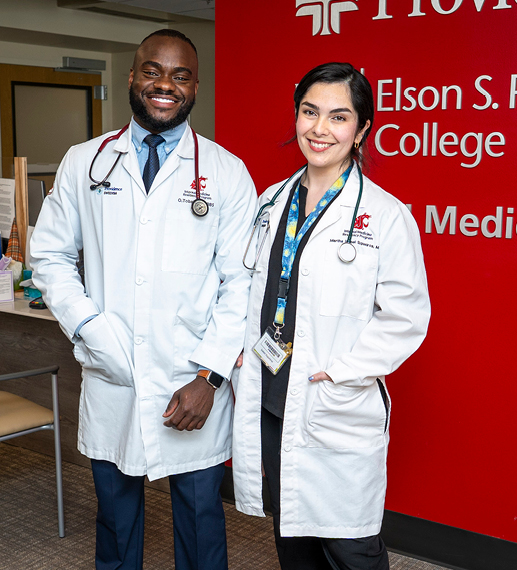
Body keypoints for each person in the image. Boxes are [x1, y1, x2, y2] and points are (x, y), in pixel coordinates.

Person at [30, 29, 256, 570]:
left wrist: (209, 379)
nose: (165, 85)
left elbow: (240, 286)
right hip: (115, 374)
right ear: (132, 77)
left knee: (202, 522)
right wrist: (90, 328)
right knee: (115, 519)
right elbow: (50, 257)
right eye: (153, 71)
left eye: (180, 76)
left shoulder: (225, 173)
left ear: (195, 88)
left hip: (192, 381)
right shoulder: (87, 162)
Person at [232, 62, 430, 569]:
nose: (320, 129)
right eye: (309, 112)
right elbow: (251, 288)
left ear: (362, 129)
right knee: (292, 540)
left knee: (350, 548)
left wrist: (341, 371)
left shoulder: (385, 215)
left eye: (338, 117)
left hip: (331, 399)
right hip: (273, 396)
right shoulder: (271, 202)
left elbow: (406, 316)